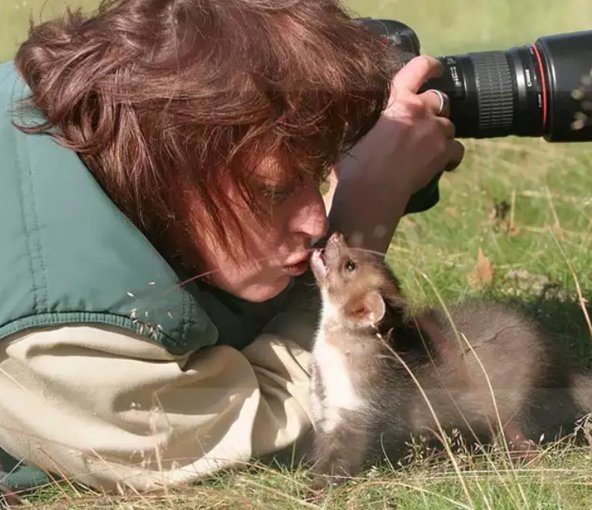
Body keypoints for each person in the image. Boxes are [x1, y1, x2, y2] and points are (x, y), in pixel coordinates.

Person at [0, 0, 464, 498]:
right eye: (274, 190)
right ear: (166, 172)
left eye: (319, 174)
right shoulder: (62, 333)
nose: (317, 221)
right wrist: (368, 210)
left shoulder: (72, 99)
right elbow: (261, 422)